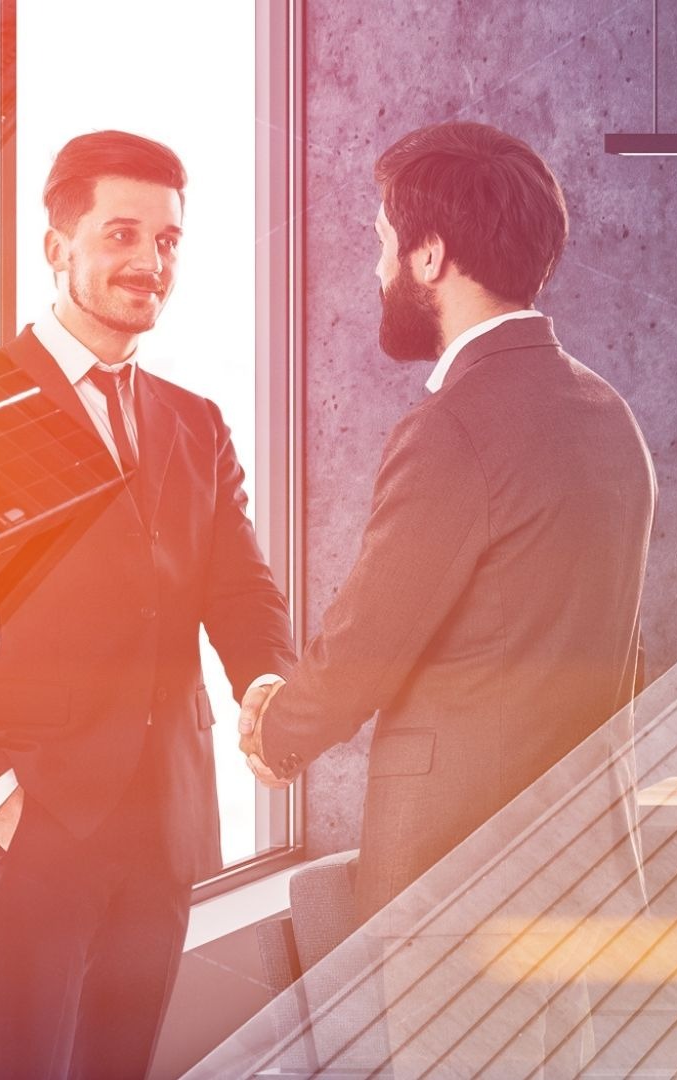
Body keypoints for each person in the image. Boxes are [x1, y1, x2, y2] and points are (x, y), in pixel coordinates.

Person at [241, 121, 656, 920]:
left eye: (383, 243)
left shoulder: (454, 428)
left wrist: (278, 731)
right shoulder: (609, 416)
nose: (376, 267)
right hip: (586, 872)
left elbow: (370, 639)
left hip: (459, 884)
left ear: (429, 256)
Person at [0, 130, 296, 1078]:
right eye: (121, 234)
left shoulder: (194, 421)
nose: (149, 262)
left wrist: (269, 688)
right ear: (57, 246)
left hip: (163, 831)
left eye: (169, 240)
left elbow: (239, 590)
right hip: (26, 832)